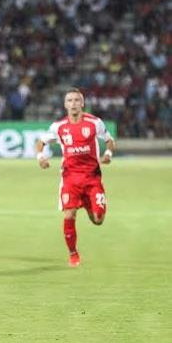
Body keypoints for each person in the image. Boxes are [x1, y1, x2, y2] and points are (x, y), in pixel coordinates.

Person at [35, 88, 116, 267]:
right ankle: (73, 254)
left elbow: (109, 140)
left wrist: (108, 154)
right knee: (69, 214)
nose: (73, 103)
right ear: (65, 105)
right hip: (70, 178)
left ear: (82, 103)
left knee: (98, 220)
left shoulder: (95, 123)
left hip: (92, 178)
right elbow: (40, 142)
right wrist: (41, 158)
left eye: (77, 100)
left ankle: (88, 204)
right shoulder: (59, 127)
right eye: (70, 100)